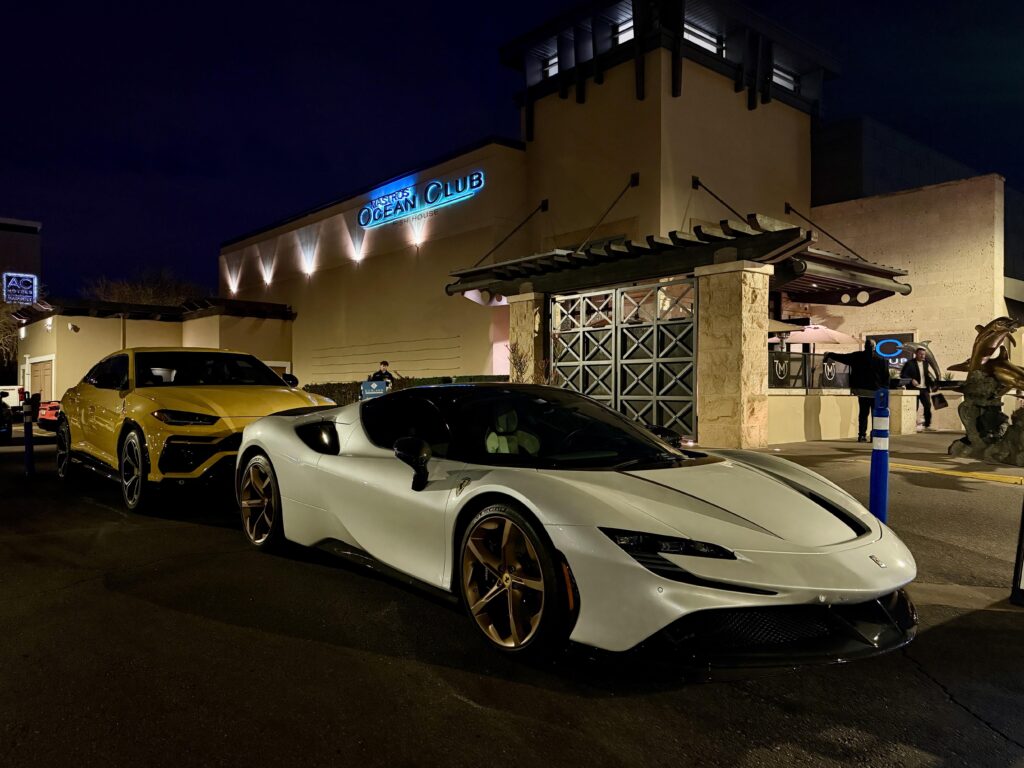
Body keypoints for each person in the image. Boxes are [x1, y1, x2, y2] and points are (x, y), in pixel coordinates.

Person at [825, 340, 891, 443]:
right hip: (876, 392)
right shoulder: (882, 360)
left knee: (863, 414)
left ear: (865, 346)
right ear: (875, 347)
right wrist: (884, 390)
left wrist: (830, 354)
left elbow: (843, 358)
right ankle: (875, 435)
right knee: (875, 414)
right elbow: (886, 378)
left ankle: (862, 435)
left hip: (862, 391)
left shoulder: (857, 356)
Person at [901, 347, 937, 431]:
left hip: (924, 389)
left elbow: (926, 376)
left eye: (924, 354)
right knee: (914, 408)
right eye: (921, 354)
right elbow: (903, 375)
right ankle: (911, 426)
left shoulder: (926, 364)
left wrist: (933, 384)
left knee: (927, 406)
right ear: (916, 354)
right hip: (914, 389)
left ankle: (927, 426)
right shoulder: (909, 363)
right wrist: (911, 380)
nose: (923, 356)